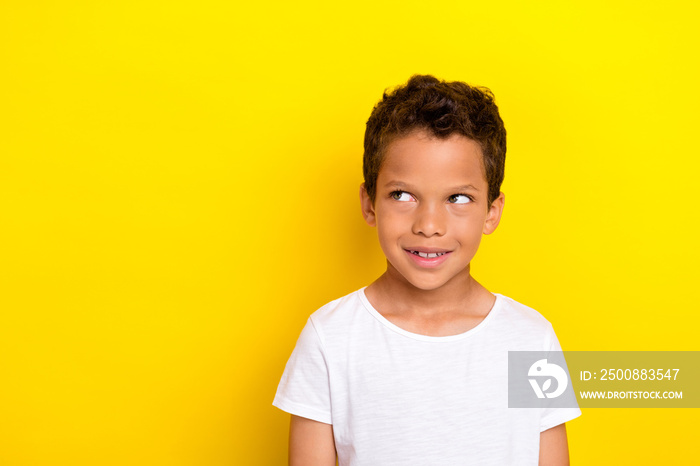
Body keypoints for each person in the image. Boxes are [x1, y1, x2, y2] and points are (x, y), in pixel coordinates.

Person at [273, 74, 581, 465]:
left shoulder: (531, 338)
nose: (429, 224)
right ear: (369, 204)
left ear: (492, 211)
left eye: (458, 197)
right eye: (402, 195)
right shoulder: (330, 338)